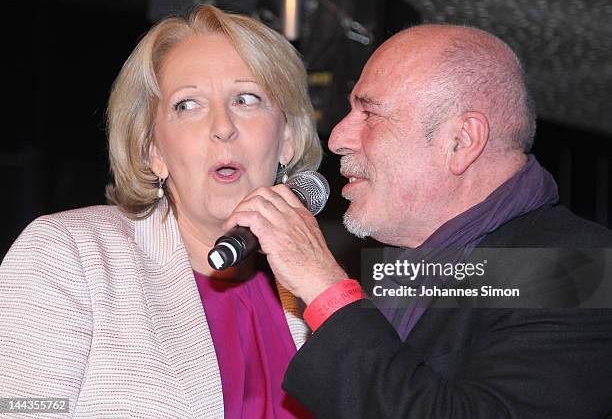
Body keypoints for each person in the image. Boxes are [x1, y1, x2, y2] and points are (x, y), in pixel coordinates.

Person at [222, 24, 612, 417]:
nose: (338, 137)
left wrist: (324, 286)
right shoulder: (402, 274)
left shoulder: (576, 268)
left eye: (369, 112)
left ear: (461, 141)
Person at [0, 5, 320, 418]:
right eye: (188, 105)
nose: (222, 126)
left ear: (287, 140)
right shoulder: (69, 255)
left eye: (246, 99)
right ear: (154, 150)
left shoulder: (309, 289)